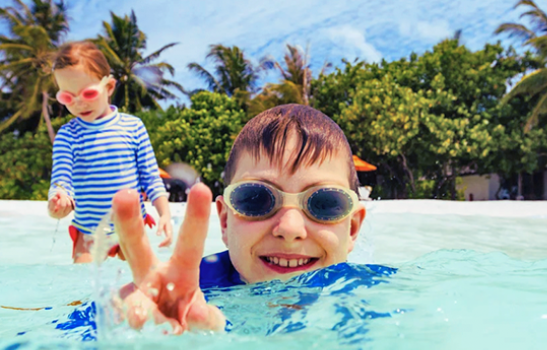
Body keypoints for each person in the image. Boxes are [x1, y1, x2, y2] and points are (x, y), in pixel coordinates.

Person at [110, 104, 388, 334]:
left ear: (352, 228)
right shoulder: (189, 290)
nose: (290, 229)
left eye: (325, 203)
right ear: (225, 221)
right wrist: (130, 328)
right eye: (256, 199)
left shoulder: (379, 295)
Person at [47, 41, 173, 263]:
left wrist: (165, 214)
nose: (78, 103)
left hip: (131, 226)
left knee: (141, 287)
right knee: (82, 293)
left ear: (109, 87)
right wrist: (58, 201)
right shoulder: (68, 135)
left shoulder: (133, 127)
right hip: (88, 231)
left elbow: (151, 178)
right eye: (67, 97)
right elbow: (61, 180)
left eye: (88, 93)